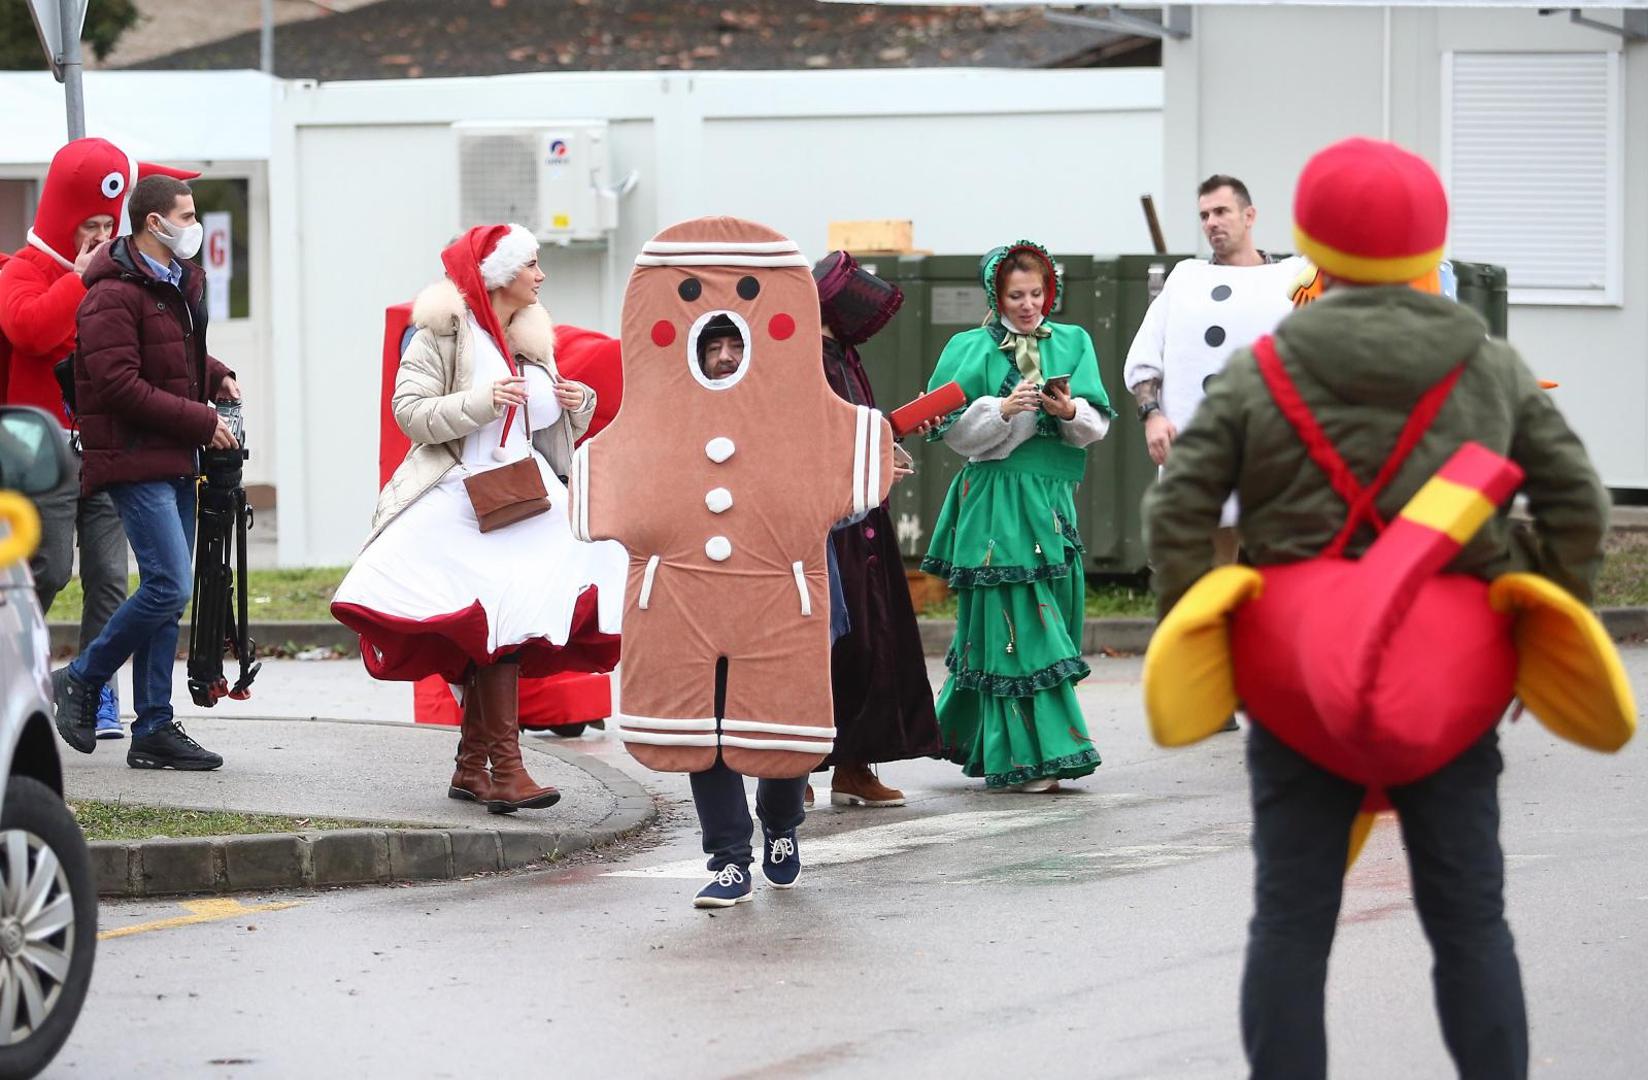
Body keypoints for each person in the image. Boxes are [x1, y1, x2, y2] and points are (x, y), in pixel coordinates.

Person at [1144, 137, 1609, 1080]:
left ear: (1309, 240)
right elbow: (1580, 504)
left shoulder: (1264, 367)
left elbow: (1178, 507)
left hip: (1295, 671)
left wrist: (1206, 626)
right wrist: (1541, 620)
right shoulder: (1487, 364)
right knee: (1471, 918)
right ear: (1427, 243)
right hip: (1453, 673)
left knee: (1290, 918)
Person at [332, 224, 625, 813]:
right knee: (499, 629)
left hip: (527, 500)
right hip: (459, 502)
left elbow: (545, 434)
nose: (542, 275)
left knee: (507, 629)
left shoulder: (526, 338)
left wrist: (576, 404)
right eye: (532, 264)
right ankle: (507, 769)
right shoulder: (441, 332)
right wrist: (484, 402)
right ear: (498, 273)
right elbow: (410, 413)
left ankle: (475, 768)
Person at [0, 138, 198, 741]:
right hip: (44, 453)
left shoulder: (118, 278)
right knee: (50, 568)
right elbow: (30, 330)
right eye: (85, 226)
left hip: (102, 449)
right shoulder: (21, 272)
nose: (95, 238)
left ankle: (94, 696)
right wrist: (80, 279)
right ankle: (19, 673)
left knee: (112, 577)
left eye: (103, 227)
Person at [52, 174, 238, 768]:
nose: (194, 224)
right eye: (186, 215)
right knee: (168, 585)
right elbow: (117, 383)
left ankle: (154, 728)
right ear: (153, 223)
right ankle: (81, 677)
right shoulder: (109, 293)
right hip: (131, 456)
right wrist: (200, 421)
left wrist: (214, 376)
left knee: (166, 594)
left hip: (173, 455)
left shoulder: (177, 281)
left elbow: (176, 355)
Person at [921, 240, 1112, 793]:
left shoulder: (1074, 342)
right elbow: (951, 433)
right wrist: (998, 410)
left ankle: (999, 743)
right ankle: (1034, 756)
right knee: (1018, 623)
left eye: (1036, 294)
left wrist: (1069, 410)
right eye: (1015, 295)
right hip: (997, 498)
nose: (1028, 305)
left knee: (1052, 618)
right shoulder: (969, 347)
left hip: (1050, 502)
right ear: (995, 297)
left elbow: (1095, 421)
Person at [809, 251, 940, 808]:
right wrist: (885, 432)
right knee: (826, 645)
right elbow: (821, 434)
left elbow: (856, 429)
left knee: (870, 643)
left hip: (864, 517)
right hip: (824, 523)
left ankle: (854, 765)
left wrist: (888, 446)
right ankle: (793, 769)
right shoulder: (803, 357)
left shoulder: (842, 352)